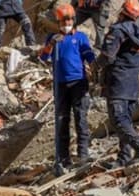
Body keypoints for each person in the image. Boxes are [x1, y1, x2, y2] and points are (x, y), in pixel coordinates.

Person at [39, 3, 96, 174]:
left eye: (70, 19)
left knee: (81, 118)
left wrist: (95, 68)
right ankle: (63, 158)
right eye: (64, 20)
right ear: (58, 22)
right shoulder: (53, 38)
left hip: (78, 83)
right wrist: (50, 46)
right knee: (62, 120)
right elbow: (43, 57)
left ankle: (83, 154)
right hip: (60, 84)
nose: (67, 23)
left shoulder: (80, 37)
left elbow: (89, 56)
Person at [97, 0, 139, 168]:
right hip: (132, 85)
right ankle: (123, 158)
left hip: (117, 83)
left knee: (119, 121)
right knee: (126, 121)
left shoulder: (118, 31)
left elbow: (107, 57)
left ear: (122, 12)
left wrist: (94, 66)